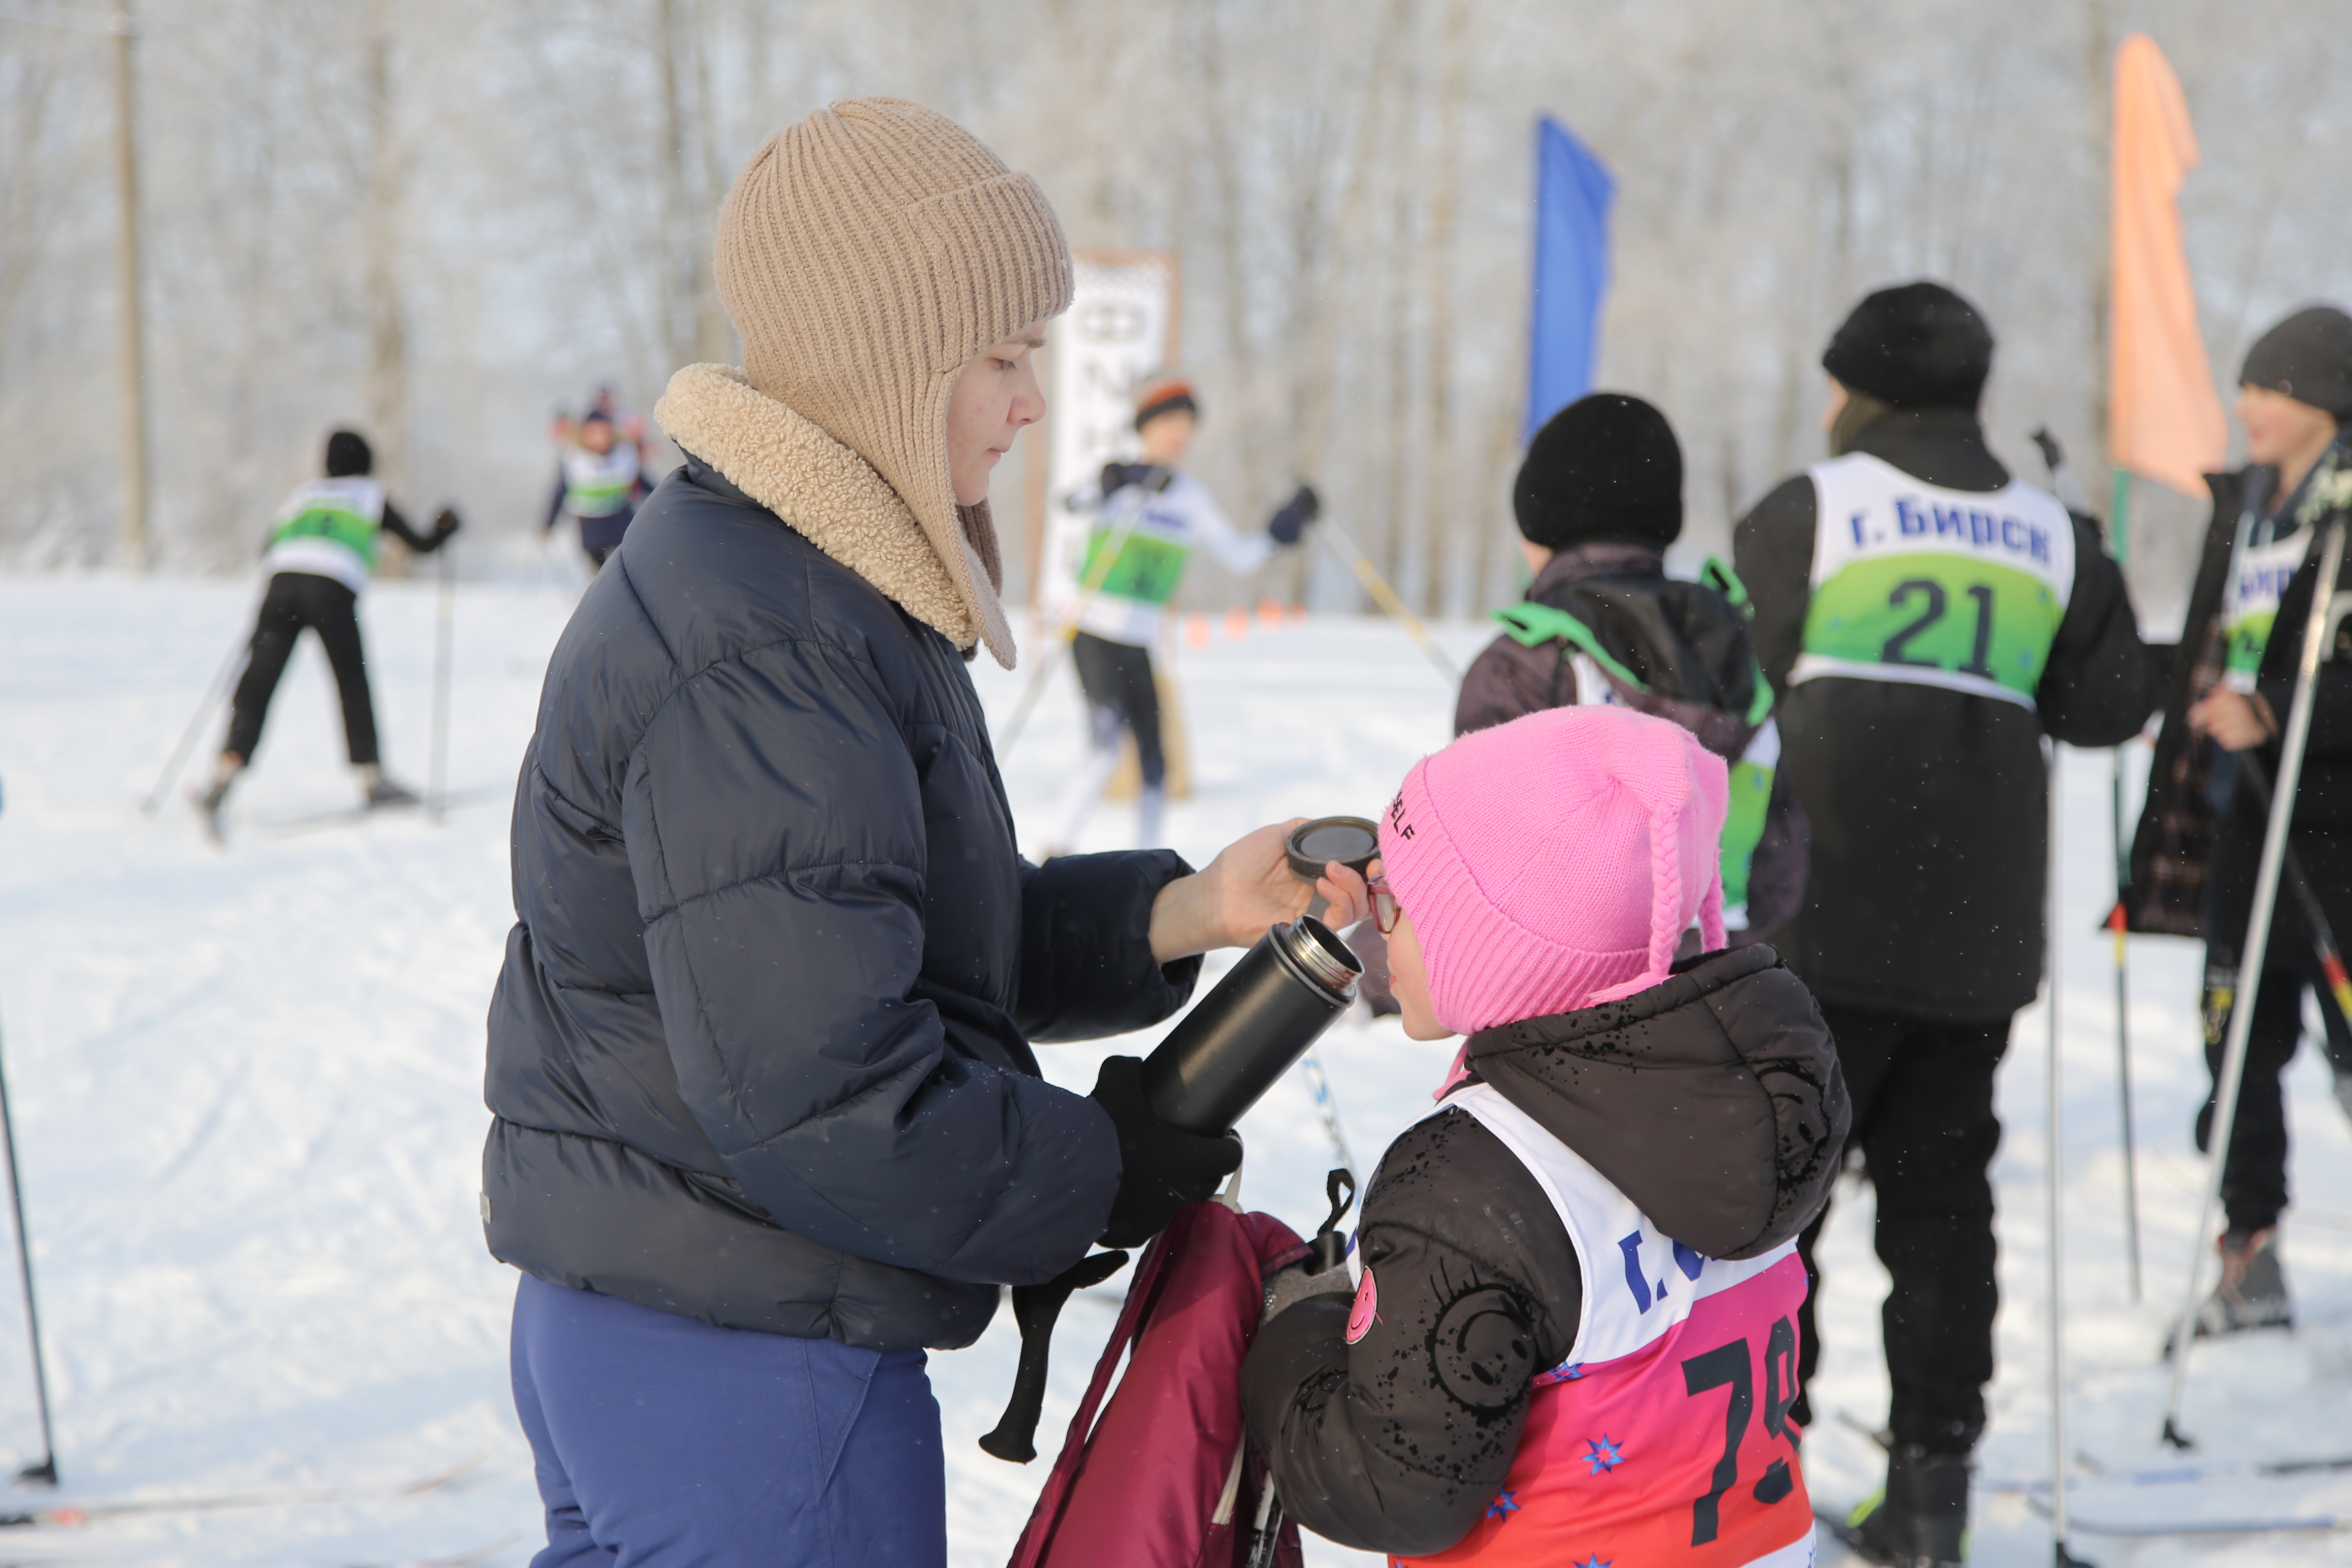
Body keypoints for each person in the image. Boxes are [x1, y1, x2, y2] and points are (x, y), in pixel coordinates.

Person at [480, 98, 1359, 1568]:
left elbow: (880, 932)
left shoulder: (794, 578)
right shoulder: (764, 636)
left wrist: (1190, 909)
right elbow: (820, 1084)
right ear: (887, 362)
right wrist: (1106, 1163)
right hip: (746, 1365)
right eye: (1003, 356)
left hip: (671, 1326)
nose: (1030, 400)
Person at [1731, 281, 2156, 1565]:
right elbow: (2110, 708)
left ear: (1861, 389)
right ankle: (1931, 1492)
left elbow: (1723, 669)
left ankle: (1759, 1465)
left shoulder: (1819, 507)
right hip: (1976, 944)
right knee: (1941, 1210)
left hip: (1813, 930)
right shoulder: (2054, 533)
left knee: (1775, 1208)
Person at [1240, 705, 1848, 1566]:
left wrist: (1290, 1341)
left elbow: (1397, 1490)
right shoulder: (1744, 1098)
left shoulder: (1468, 1181)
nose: (1380, 928)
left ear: (1493, 947)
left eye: (1404, 907)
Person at [2120, 304, 2352, 1338]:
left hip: (2334, 826)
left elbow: (2309, 674)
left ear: (2321, 399)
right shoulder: (2250, 505)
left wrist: (2279, 712)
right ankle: (2247, 1257)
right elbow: (2228, 642)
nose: (2245, 405)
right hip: (2244, 819)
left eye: (2268, 387)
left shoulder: (2342, 510)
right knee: (2235, 1039)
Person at [1455, 391, 1808, 945]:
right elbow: (1781, 865)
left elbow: (1466, 873)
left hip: (1562, 1006)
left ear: (1538, 522)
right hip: (1722, 985)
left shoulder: (1526, 660)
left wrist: (1370, 973)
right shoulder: (1736, 646)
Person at [1041, 374, 1319, 852]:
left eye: (1188, 424)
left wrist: (1284, 526)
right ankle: (1055, 847)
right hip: (1093, 630)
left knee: (1156, 760)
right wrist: (1115, 480)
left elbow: (1241, 556)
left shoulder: (1190, 497)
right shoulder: (1116, 477)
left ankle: (1150, 860)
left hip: (1140, 641)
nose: (1180, 433)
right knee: (1106, 749)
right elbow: (1069, 503)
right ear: (1145, 426)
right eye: (1169, 421)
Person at [196, 429, 459, 835]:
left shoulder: (304, 494)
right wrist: (445, 526)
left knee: (258, 680)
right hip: (330, 589)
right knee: (351, 679)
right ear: (367, 464)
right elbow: (421, 546)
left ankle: (224, 773)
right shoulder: (371, 495)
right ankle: (373, 779)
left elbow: (266, 546)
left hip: (281, 584)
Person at [544, 406, 651, 570]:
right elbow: (560, 492)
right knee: (599, 571)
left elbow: (645, 484)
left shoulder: (624, 455)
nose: (600, 438)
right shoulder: (574, 459)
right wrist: (548, 524)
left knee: (625, 567)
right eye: (593, 433)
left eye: (605, 432)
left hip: (621, 522)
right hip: (591, 526)